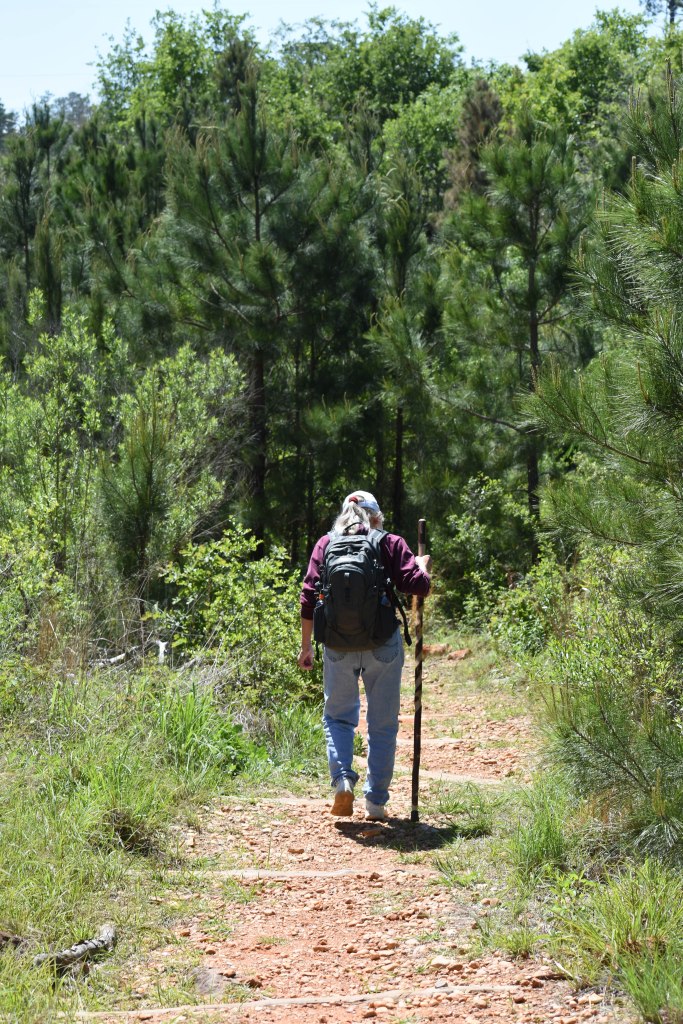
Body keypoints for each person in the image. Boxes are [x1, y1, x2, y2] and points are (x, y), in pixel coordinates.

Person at [298, 490, 431, 821]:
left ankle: (343, 780)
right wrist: (422, 567)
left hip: (336, 646)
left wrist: (305, 647)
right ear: (375, 517)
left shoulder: (325, 544)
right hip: (381, 644)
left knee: (338, 717)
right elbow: (417, 586)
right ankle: (375, 803)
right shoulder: (389, 542)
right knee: (382, 725)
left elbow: (307, 596)